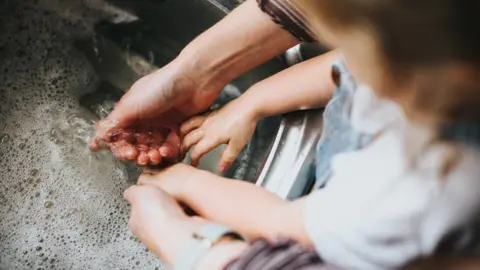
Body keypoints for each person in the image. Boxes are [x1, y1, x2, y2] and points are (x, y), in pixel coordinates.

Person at [99, 0, 480, 269]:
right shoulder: (432, 67)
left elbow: (282, 223)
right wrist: (251, 101)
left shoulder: (417, 191)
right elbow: (342, 69)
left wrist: (179, 184)